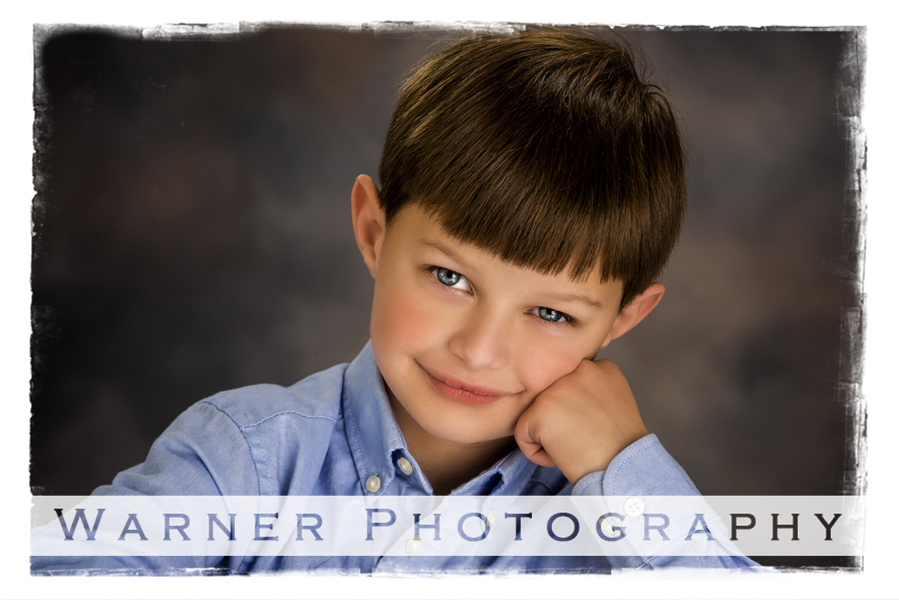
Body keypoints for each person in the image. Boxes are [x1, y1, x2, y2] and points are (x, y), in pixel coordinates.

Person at [32, 27, 759, 574]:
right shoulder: (244, 460)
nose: (478, 349)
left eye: (550, 313)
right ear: (374, 231)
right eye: (450, 278)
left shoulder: (618, 528)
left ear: (624, 318)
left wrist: (624, 464)